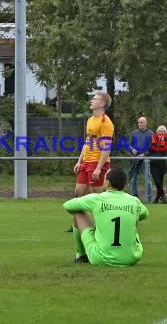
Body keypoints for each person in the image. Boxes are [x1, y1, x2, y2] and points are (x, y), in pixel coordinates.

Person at [63, 165, 149, 266]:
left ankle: (81, 255)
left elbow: (67, 205)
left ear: (108, 183)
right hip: (131, 258)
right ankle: (127, 251)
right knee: (134, 219)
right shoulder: (134, 200)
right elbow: (145, 214)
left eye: (104, 179)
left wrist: (96, 217)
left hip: (100, 258)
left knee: (78, 211)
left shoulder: (97, 199)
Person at [67, 91, 114, 240]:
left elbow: (106, 148)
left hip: (97, 162)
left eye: (95, 99)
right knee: (79, 193)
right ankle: (79, 224)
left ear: (102, 104)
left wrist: (99, 167)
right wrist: (80, 160)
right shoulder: (90, 120)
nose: (91, 101)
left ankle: (106, 224)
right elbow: (87, 142)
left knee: (98, 195)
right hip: (86, 162)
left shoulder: (106, 122)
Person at [128, 116, 153, 202]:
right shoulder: (134, 133)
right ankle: (134, 197)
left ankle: (149, 198)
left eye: (141, 122)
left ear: (146, 123)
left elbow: (152, 148)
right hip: (134, 159)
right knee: (133, 178)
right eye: (139, 122)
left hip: (145, 160)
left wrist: (144, 154)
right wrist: (132, 150)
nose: (140, 124)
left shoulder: (151, 134)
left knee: (148, 178)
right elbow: (129, 145)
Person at [150, 125, 167, 204]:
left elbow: (163, 149)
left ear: (165, 133)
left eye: (162, 131)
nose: (160, 133)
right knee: (157, 181)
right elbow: (149, 150)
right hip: (153, 164)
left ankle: (157, 199)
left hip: (162, 165)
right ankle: (163, 196)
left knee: (160, 182)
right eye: (159, 131)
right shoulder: (153, 140)